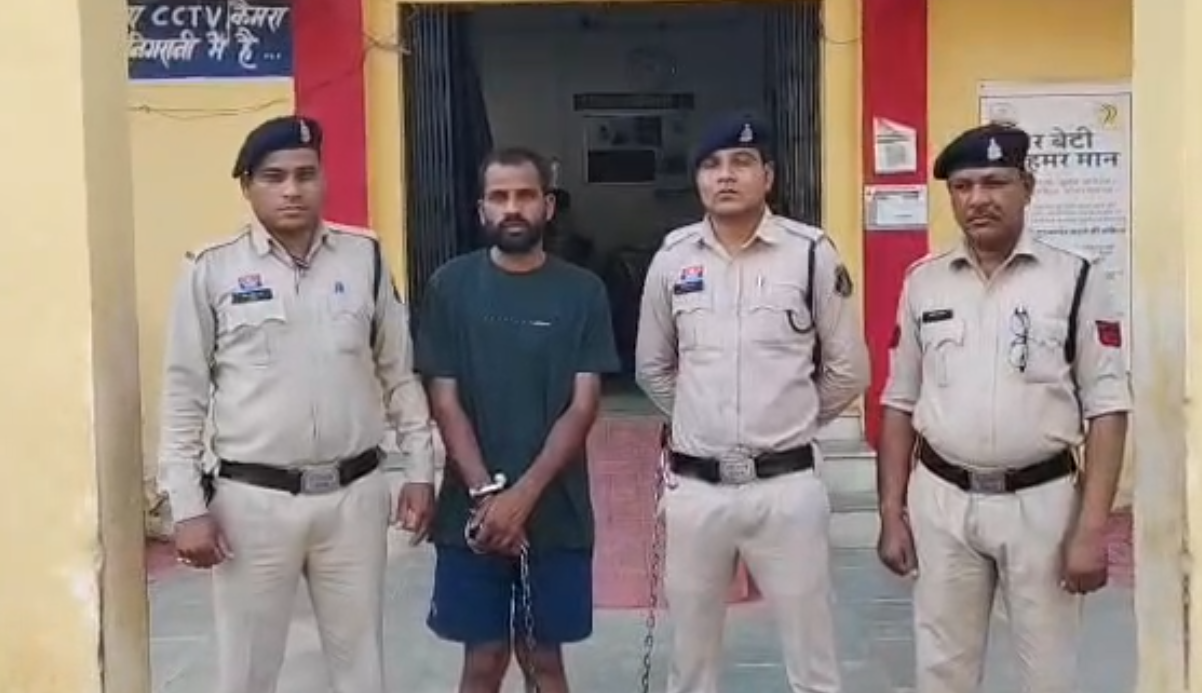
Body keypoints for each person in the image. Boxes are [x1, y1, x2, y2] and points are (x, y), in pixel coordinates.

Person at [157, 115, 437, 693]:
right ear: (247, 186)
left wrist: (419, 469)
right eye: (274, 177)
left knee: (361, 667)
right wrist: (186, 506)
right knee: (248, 671)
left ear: (323, 179)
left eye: (306, 175)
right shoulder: (211, 269)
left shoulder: (364, 257)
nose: (292, 190)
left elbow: (398, 373)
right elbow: (183, 394)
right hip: (252, 503)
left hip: (354, 497)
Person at [876, 122, 1131, 693]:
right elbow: (899, 401)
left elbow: (1108, 408)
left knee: (1049, 672)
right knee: (942, 671)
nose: (978, 199)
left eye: (995, 183)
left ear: (1027, 187)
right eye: (963, 187)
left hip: (1041, 504)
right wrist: (891, 511)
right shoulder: (924, 282)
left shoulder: (1076, 277)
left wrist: (1091, 529)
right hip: (942, 500)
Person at [635, 113, 871, 693]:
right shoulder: (672, 259)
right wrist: (699, 421)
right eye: (711, 165)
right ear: (698, 180)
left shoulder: (811, 254)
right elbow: (652, 368)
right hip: (697, 492)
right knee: (691, 663)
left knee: (813, 662)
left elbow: (849, 370)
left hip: (786, 490)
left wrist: (790, 423)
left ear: (767, 176)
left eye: (741, 163)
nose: (725, 176)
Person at [415, 146, 620, 693]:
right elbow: (444, 399)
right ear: (481, 208)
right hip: (470, 513)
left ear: (547, 206)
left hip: (557, 511)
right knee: (483, 659)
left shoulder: (583, 292)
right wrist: (487, 496)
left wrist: (522, 498)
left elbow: (583, 405)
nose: (512, 207)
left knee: (543, 659)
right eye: (499, 196)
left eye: (525, 195)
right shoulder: (450, 286)